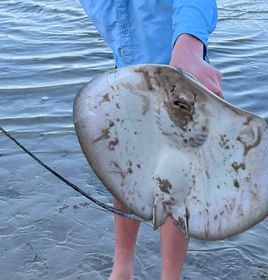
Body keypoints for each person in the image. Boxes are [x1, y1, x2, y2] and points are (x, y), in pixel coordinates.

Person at [79, 1, 222, 279]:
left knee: (175, 179)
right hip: (128, 69)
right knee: (124, 167)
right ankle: (122, 270)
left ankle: (170, 277)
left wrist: (190, 44)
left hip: (181, 71)